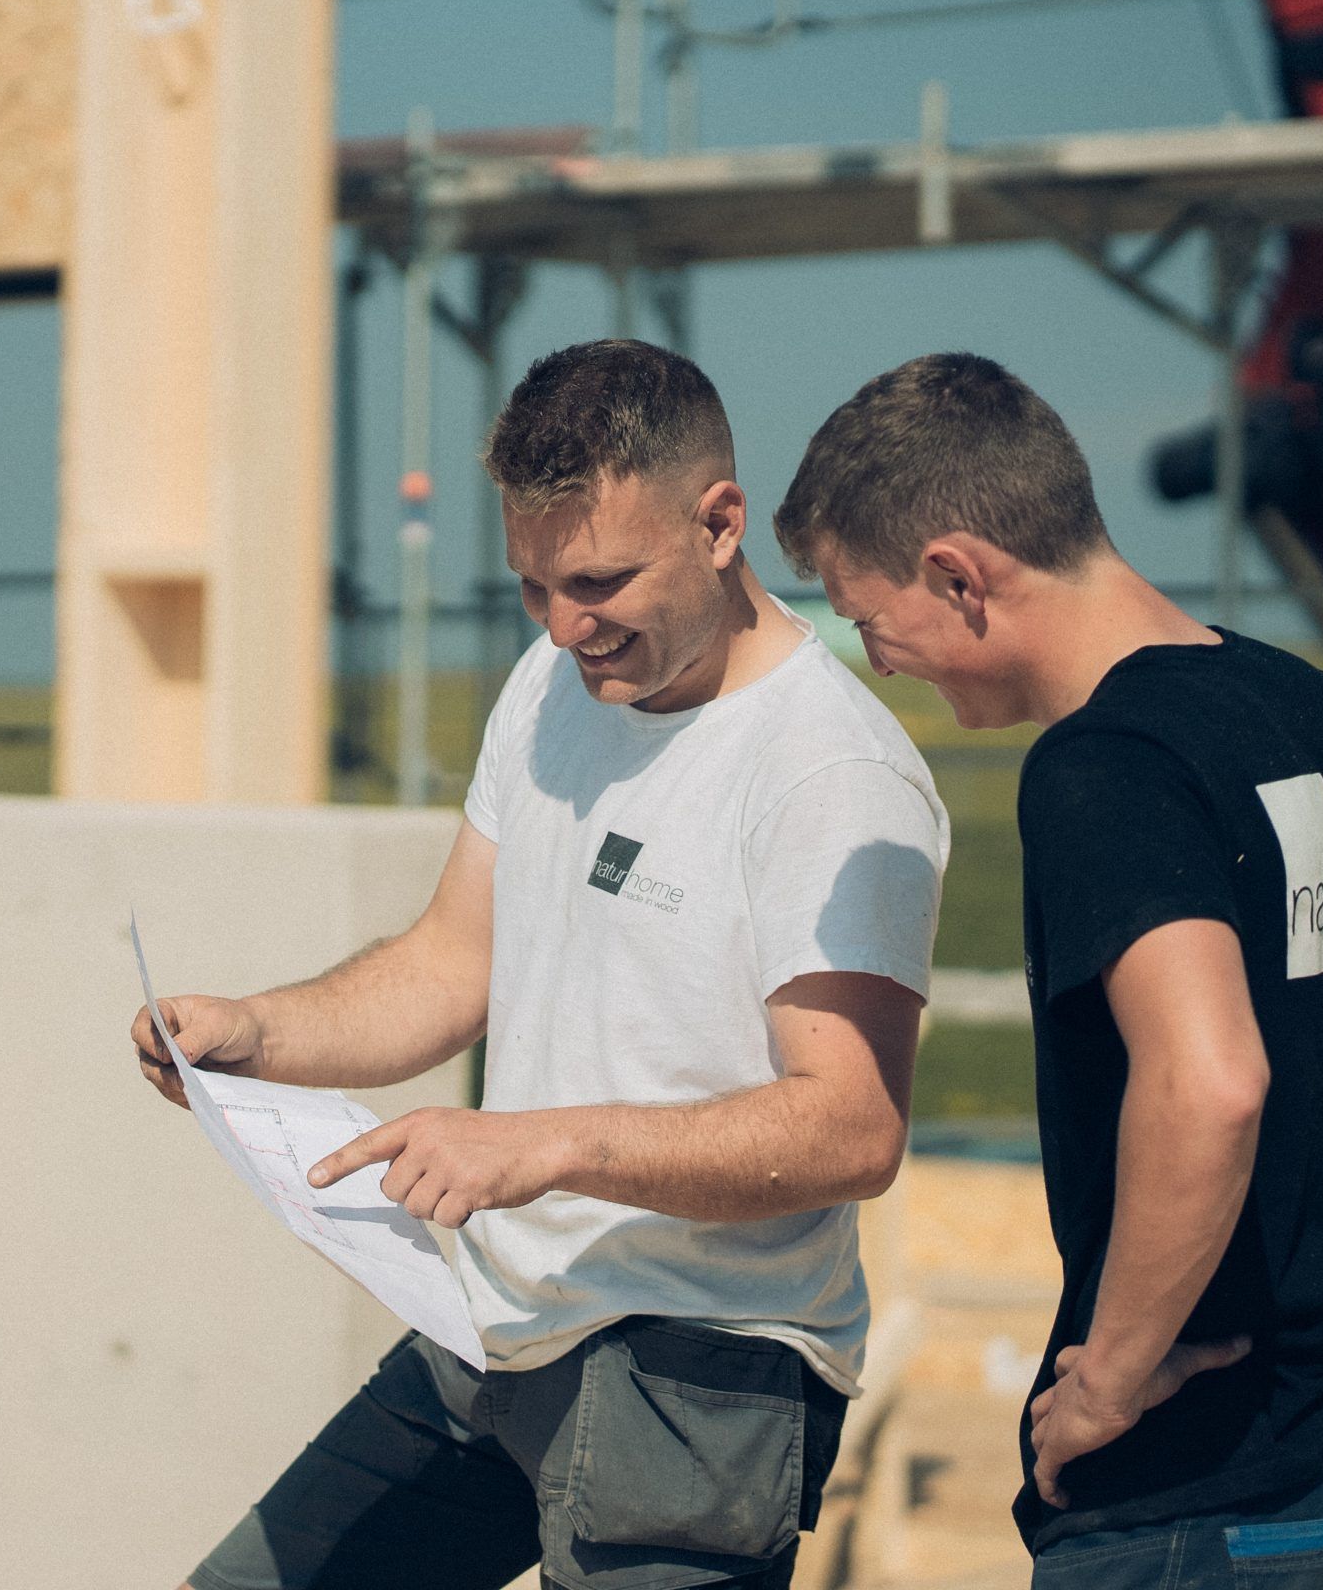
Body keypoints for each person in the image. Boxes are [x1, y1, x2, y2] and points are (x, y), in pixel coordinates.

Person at [129, 339, 948, 1590]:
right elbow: (454, 962)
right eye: (532, 587)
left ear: (720, 524)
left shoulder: (830, 774)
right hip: (489, 1330)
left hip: (696, 1375)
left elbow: (849, 1128)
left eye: (600, 581)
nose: (568, 627)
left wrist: (543, 1143)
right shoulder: (556, 680)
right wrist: (257, 1031)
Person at [776, 351, 1323, 1589]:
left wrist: (1110, 1378)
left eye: (866, 618)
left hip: (1202, 1503)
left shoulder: (1101, 767)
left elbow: (1212, 1079)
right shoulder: (1306, 701)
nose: (880, 660)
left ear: (958, 575)